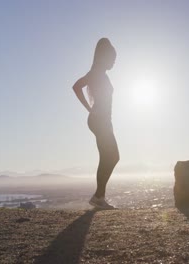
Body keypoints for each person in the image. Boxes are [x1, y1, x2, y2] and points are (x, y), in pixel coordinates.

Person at [72, 38, 119, 209]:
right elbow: (76, 86)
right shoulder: (96, 73)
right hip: (99, 120)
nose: (114, 62)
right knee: (113, 156)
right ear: (104, 57)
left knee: (109, 157)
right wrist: (89, 109)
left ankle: (99, 197)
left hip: (104, 121)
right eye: (112, 58)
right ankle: (98, 196)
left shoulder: (101, 74)